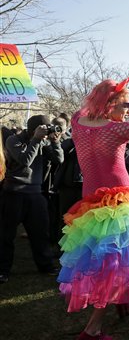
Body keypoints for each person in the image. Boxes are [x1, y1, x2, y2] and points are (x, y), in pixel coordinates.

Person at [56, 78, 129, 340]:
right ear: (110, 104)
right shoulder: (118, 129)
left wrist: (126, 115)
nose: (128, 108)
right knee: (113, 264)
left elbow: (99, 118)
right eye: (125, 103)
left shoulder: (77, 121)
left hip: (90, 201)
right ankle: (93, 328)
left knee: (101, 258)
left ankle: (120, 302)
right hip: (118, 202)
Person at [0, 115, 63, 284]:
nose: (46, 130)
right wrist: (36, 139)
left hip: (35, 194)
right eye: (44, 127)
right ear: (34, 128)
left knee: (40, 233)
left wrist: (55, 142)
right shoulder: (13, 140)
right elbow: (25, 160)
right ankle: (3, 270)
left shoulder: (42, 141)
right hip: (13, 193)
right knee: (6, 234)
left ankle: (46, 265)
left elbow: (59, 160)